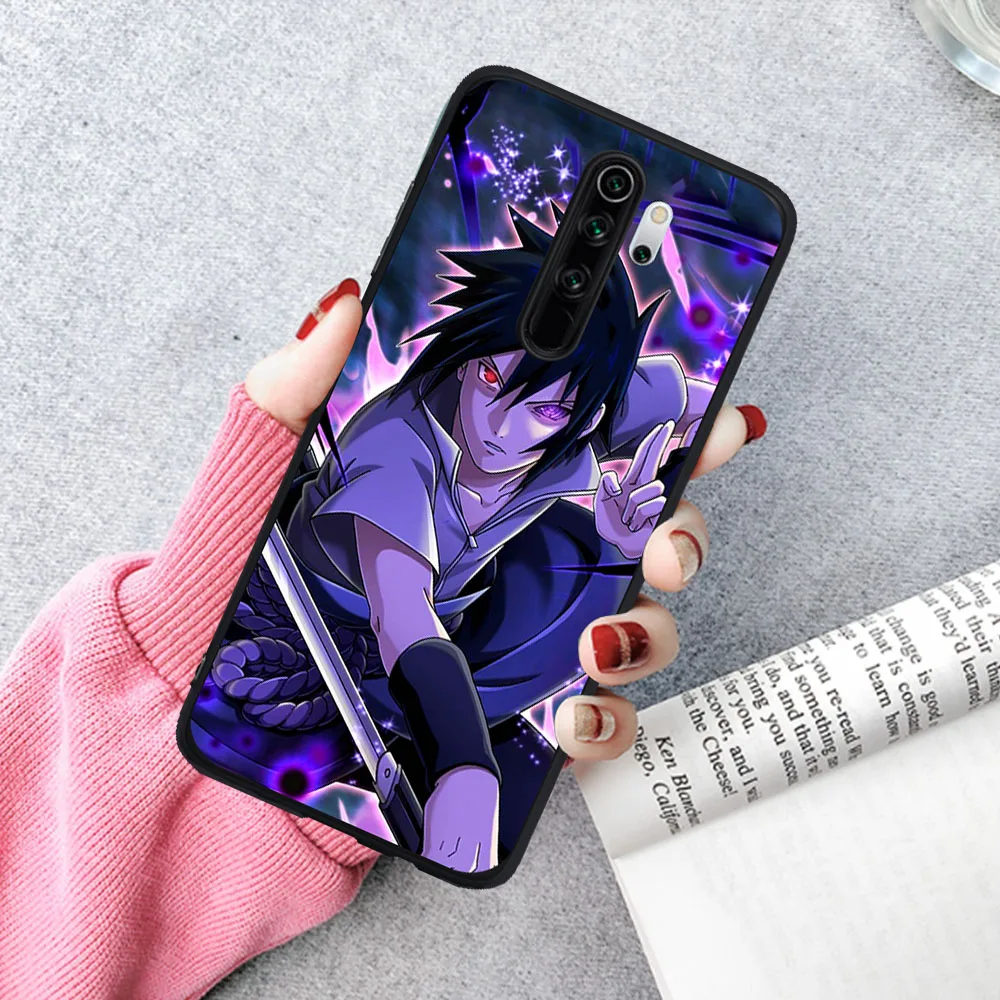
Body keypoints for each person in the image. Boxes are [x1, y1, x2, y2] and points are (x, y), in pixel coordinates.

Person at [0, 277, 765, 999]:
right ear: (465, 362)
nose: (499, 427)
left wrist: (684, 440)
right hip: (307, 640)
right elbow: (403, 615)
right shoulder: (399, 446)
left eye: (544, 409)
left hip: (429, 648)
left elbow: (666, 396)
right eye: (488, 379)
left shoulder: (578, 412)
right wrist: (464, 765)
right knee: (564, 601)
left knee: (597, 558)